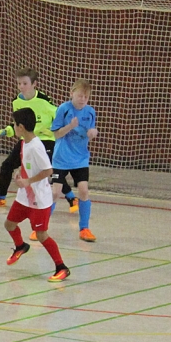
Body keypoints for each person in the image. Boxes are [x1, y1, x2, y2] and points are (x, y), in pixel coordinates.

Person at [0, 68, 76, 212]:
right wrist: (5, 131)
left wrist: (58, 131)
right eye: (19, 83)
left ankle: (71, 197)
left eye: (25, 83)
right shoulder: (17, 102)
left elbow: (59, 117)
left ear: (34, 84)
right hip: (26, 140)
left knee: (47, 169)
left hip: (45, 140)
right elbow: (17, 125)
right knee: (7, 165)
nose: (21, 87)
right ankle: (1, 198)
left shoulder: (44, 101)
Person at [2, 108, 71, 282]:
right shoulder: (24, 143)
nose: (13, 127)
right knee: (9, 224)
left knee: (41, 235)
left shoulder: (36, 147)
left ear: (21, 127)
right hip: (24, 197)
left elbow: (48, 170)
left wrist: (28, 181)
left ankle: (61, 267)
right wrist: (20, 173)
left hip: (39, 199)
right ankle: (20, 246)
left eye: (14, 125)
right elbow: (28, 164)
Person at [51, 79, 99, 242]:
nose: (82, 99)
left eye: (86, 97)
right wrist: (70, 126)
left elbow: (89, 131)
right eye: (80, 96)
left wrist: (92, 133)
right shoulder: (64, 109)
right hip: (61, 158)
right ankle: (40, 228)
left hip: (80, 159)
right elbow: (56, 134)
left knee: (84, 191)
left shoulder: (90, 112)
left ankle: (84, 228)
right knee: (55, 193)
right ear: (72, 93)